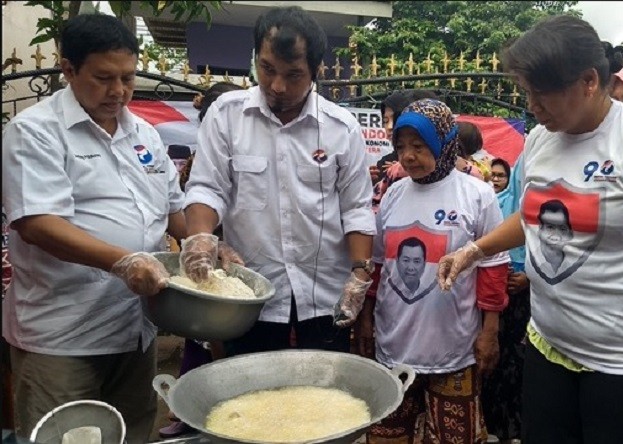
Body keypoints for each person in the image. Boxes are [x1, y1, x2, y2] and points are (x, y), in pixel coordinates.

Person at [437, 15, 623, 443]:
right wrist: (475, 249)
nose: (532, 105)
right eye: (526, 92)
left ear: (589, 80)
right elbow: (535, 215)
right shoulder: (540, 139)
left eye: (542, 93)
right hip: (548, 345)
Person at [1, 14, 186, 442]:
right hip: (64, 337)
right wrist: (123, 261)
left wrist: (200, 240)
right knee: (67, 435)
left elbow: (172, 206)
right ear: (69, 70)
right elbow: (37, 223)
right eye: (103, 78)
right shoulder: (35, 132)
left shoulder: (142, 132)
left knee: (134, 430)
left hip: (134, 330)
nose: (118, 91)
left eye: (127, 77)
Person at [182, 6, 375, 354]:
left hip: (324, 295)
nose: (277, 85)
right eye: (267, 69)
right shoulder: (226, 115)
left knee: (323, 395)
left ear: (316, 71)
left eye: (294, 74)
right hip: (251, 291)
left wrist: (359, 276)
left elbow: (356, 207)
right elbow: (207, 188)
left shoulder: (341, 127)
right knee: (252, 394)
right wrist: (199, 238)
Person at [354, 98, 509, 443]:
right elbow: (378, 266)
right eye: (401, 147)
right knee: (388, 435)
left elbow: (493, 267)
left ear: (443, 142)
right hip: (394, 344)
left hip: (453, 348)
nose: (408, 156)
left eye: (419, 146)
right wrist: (366, 319)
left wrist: (490, 332)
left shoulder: (477, 194)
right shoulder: (393, 194)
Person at [159, 81, 244, 440]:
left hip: (235, 258)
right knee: (200, 338)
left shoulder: (244, 146)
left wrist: (223, 244)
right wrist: (201, 240)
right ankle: (192, 409)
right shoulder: (197, 161)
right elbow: (187, 205)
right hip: (203, 255)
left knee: (228, 347)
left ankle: (221, 412)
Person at [482, 156, 532, 443]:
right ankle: (492, 425)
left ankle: (516, 427)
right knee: (494, 357)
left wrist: (529, 275)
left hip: (528, 295)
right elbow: (488, 246)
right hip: (498, 294)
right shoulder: (496, 202)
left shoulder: (544, 205)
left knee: (520, 362)